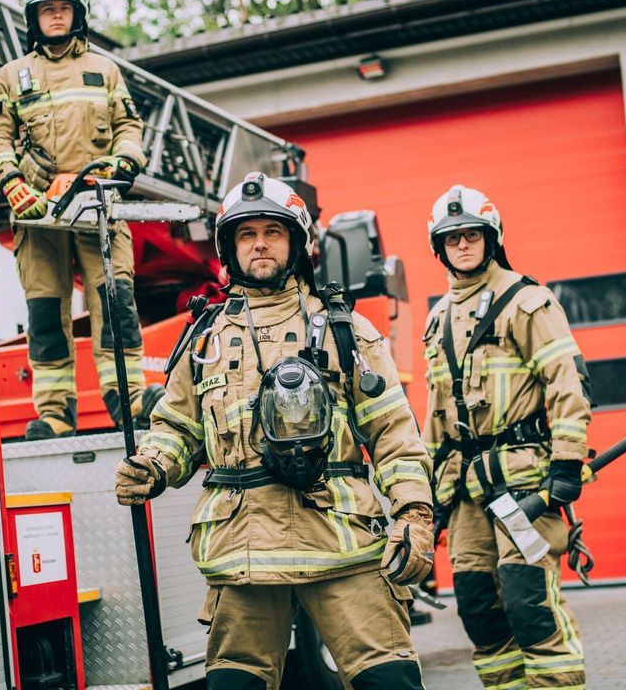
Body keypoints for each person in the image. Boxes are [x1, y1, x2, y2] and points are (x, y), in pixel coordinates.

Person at [115, 172, 435, 689]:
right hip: (241, 551)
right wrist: (153, 463)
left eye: (272, 231)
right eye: (246, 234)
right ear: (230, 248)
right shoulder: (205, 339)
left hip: (342, 545)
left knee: (389, 682)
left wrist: (415, 516)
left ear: (298, 242)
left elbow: (396, 434)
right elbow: (176, 426)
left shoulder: (343, 330)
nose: (259, 243)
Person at [422, 184, 591, 689]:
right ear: (440, 248)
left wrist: (566, 464)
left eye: (472, 235)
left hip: (523, 488)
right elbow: (434, 413)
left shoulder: (529, 303)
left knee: (528, 604)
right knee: (479, 609)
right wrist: (429, 496)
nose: (463, 246)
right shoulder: (435, 322)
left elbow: (567, 384)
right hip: (465, 494)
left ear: (491, 238)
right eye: (452, 239)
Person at [0, 0, 162, 439]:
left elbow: (129, 127)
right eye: (46, 11)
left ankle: (129, 399)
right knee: (45, 313)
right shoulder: (10, 76)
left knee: (115, 303)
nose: (55, 17)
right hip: (37, 213)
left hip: (97, 206)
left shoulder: (104, 70)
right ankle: (56, 413)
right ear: (34, 19)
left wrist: (124, 163)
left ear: (76, 14)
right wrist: (13, 184)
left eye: (62, 8)